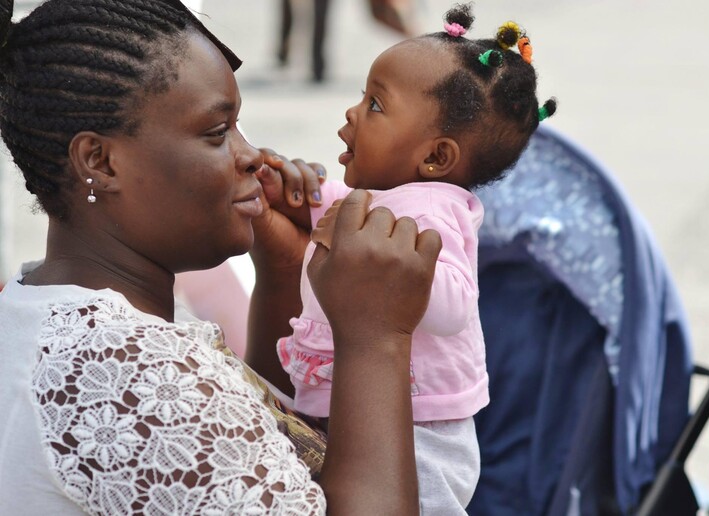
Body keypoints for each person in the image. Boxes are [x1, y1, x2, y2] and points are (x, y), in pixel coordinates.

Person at [0, 0, 443, 514]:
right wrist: (375, 338)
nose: (251, 155)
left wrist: (281, 272)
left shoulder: (56, 310)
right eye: (217, 133)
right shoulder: (130, 373)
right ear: (100, 161)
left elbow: (255, 444)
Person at [271, 4, 556, 513]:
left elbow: (456, 304)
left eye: (376, 105)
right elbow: (331, 203)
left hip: (420, 431)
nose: (353, 113)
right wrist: (296, 190)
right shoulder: (383, 197)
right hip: (365, 413)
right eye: (362, 96)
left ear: (436, 158)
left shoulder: (434, 211)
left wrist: (399, 271)